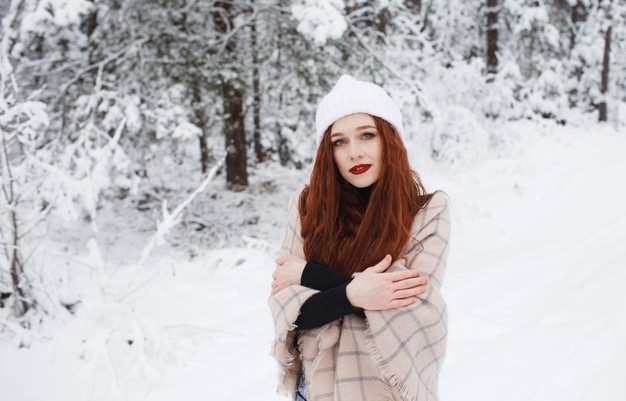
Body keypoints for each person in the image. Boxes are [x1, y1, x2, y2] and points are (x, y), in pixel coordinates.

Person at [268, 74, 450, 401]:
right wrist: (355, 294)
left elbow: (409, 307)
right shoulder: (307, 206)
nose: (354, 152)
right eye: (340, 141)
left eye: (367, 135)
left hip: (384, 389)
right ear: (329, 152)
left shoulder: (426, 210)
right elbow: (290, 307)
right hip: (314, 389)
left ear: (389, 140)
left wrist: (310, 275)